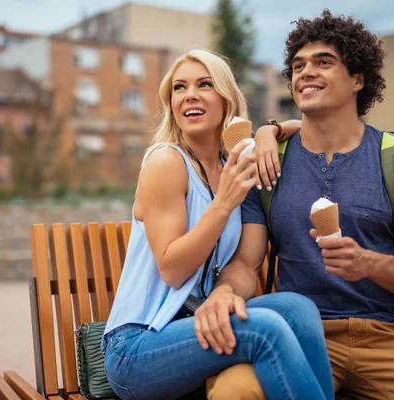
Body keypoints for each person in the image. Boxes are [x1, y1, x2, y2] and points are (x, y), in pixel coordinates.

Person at [201, 10, 394, 400]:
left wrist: (369, 264)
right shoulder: (267, 164)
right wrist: (225, 292)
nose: (305, 71)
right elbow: (246, 264)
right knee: (233, 394)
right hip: (299, 334)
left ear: (358, 79)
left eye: (323, 62)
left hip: (388, 337)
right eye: (298, 65)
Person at [102, 48, 334, 400]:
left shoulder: (231, 164)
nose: (189, 95)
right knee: (267, 330)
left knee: (298, 310)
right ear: (171, 103)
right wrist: (224, 203)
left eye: (204, 84)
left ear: (226, 100)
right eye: (179, 88)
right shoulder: (166, 162)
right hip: (137, 346)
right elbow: (172, 268)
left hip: (191, 325)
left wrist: (272, 131)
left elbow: (300, 128)